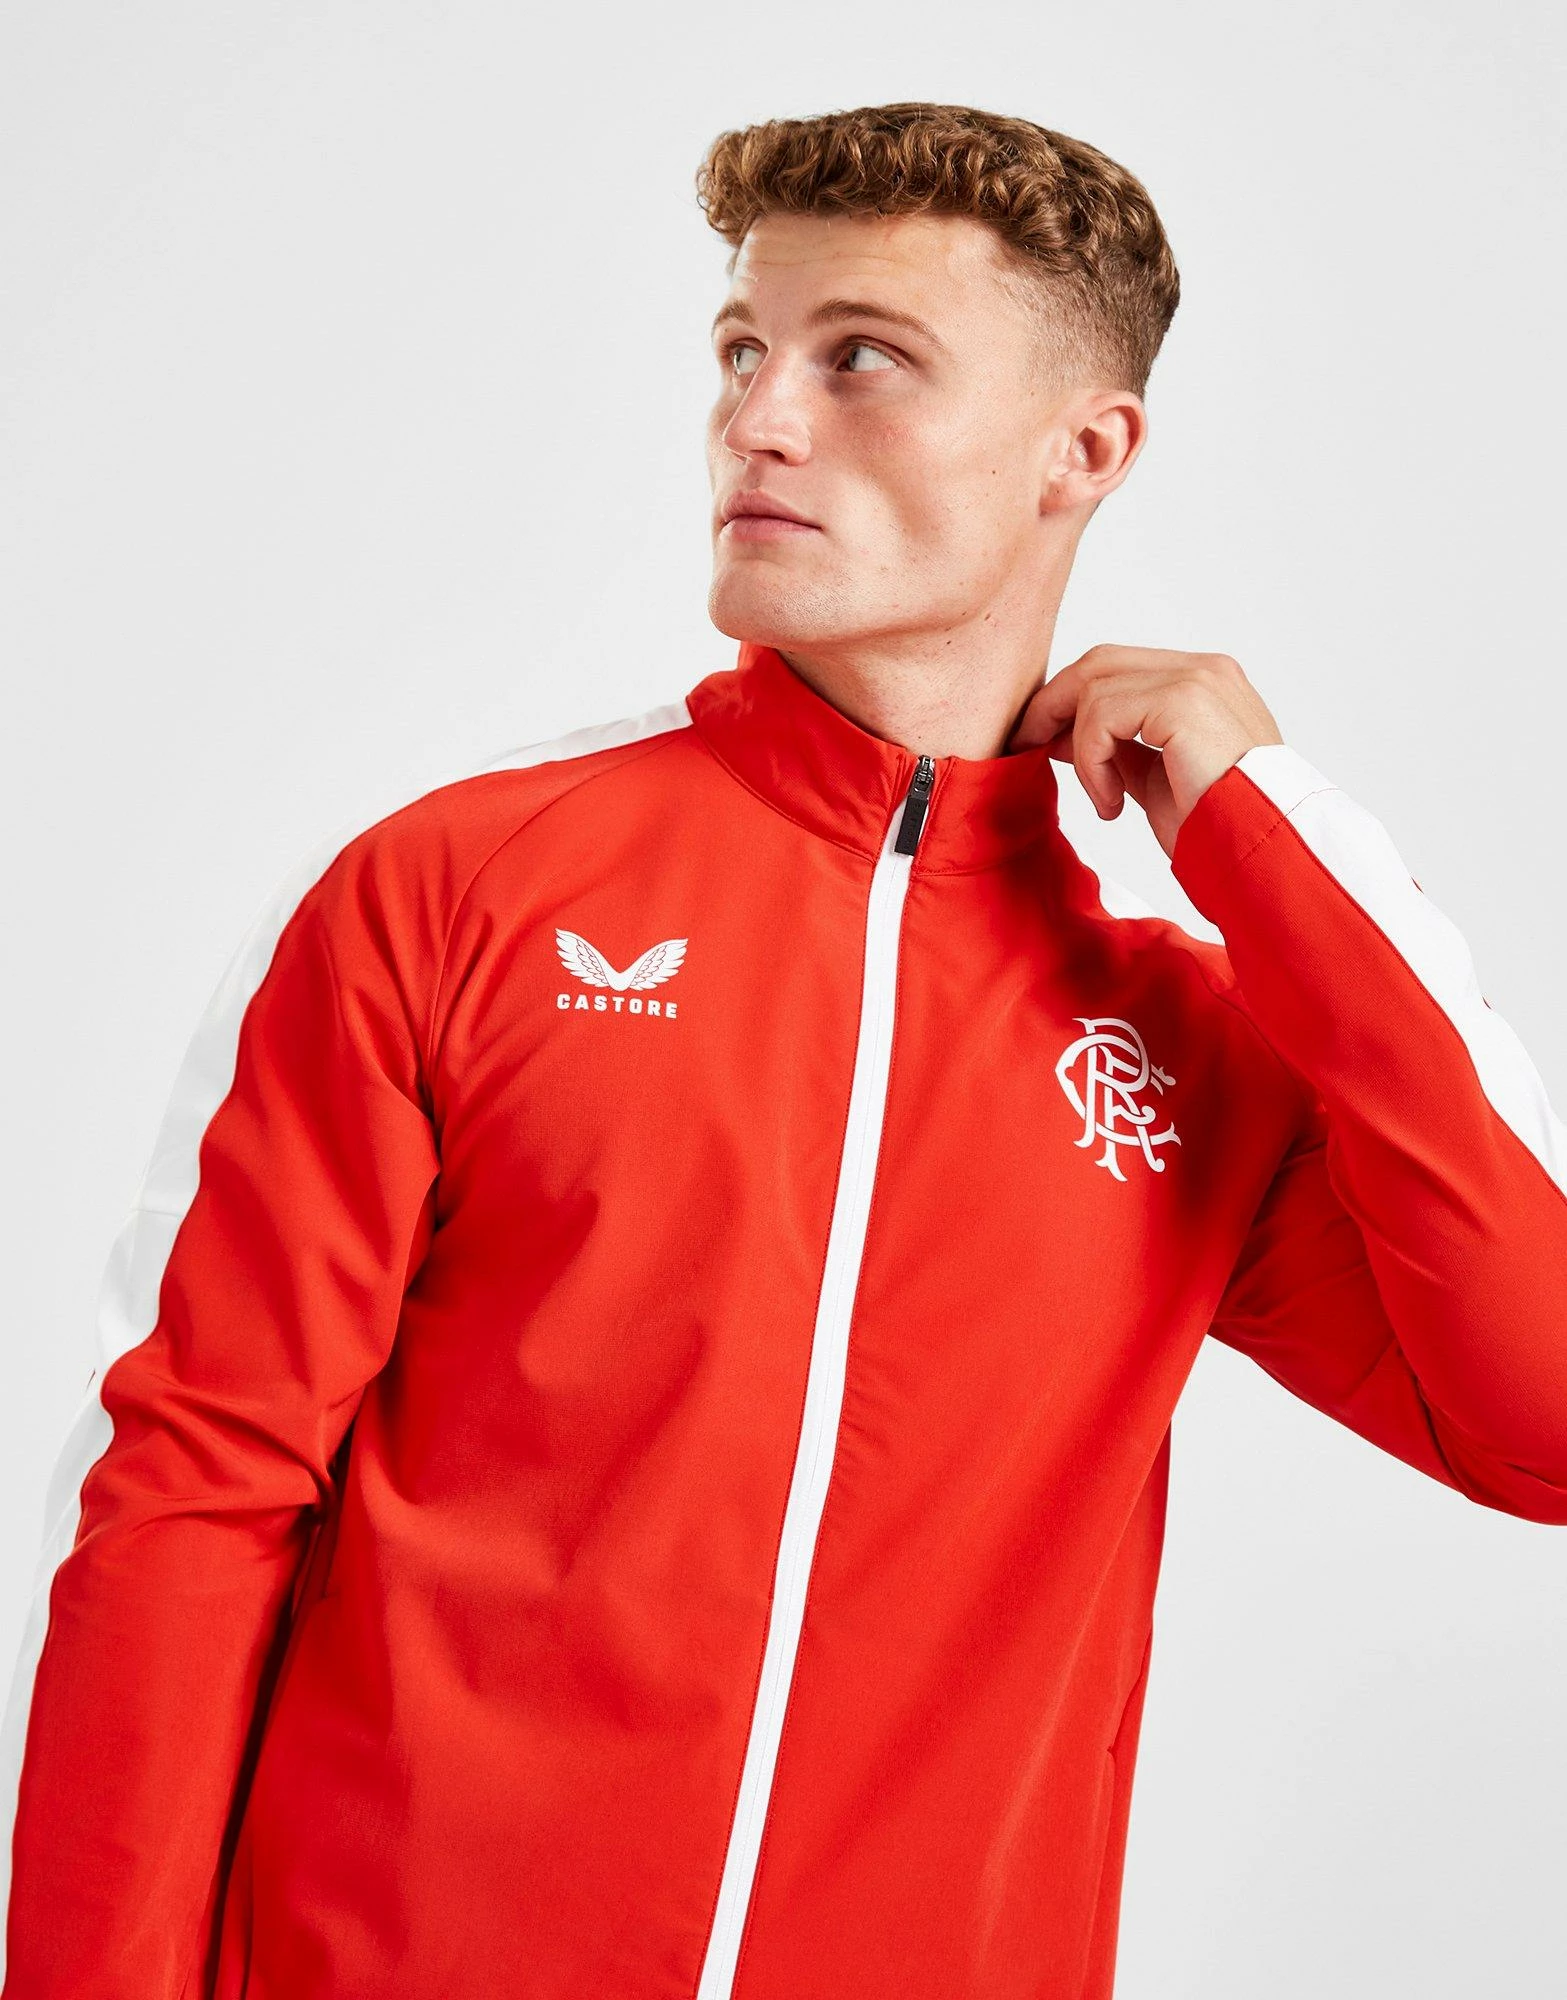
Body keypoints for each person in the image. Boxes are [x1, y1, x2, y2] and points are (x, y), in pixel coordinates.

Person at [2, 98, 1563, 2000]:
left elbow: (1541, 1423)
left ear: (1084, 450)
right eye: (742, 349)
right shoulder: (461, 884)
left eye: (861, 359)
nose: (756, 417)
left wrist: (1271, 840)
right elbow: (189, 1499)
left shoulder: (1179, 1035)